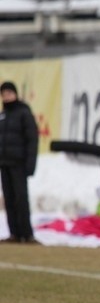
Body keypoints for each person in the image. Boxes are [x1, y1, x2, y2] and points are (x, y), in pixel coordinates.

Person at [0, 81, 39, 244]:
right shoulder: (2, 116)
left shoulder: (24, 113)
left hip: (19, 164)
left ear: (15, 94)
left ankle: (27, 234)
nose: (6, 97)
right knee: (8, 199)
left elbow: (32, 140)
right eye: (4, 94)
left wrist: (30, 164)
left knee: (21, 198)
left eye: (9, 93)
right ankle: (14, 233)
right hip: (5, 163)